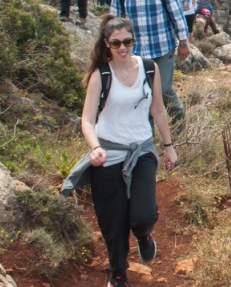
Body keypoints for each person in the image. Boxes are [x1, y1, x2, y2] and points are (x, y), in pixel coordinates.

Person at [61, 15, 177, 287]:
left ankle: (144, 234)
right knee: (114, 223)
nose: (123, 47)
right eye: (116, 43)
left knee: (143, 215)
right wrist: (96, 147)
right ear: (106, 44)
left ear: (134, 40)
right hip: (109, 153)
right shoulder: (100, 75)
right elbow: (87, 120)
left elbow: (158, 109)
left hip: (142, 151)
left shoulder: (149, 69)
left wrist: (169, 147)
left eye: (128, 41)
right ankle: (118, 275)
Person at [110, 0, 190, 125]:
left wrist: (183, 43)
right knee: (143, 92)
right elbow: (113, 24)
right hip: (137, 53)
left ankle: (179, 119)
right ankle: (148, 132)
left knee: (163, 89)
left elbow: (177, 16)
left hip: (162, 48)